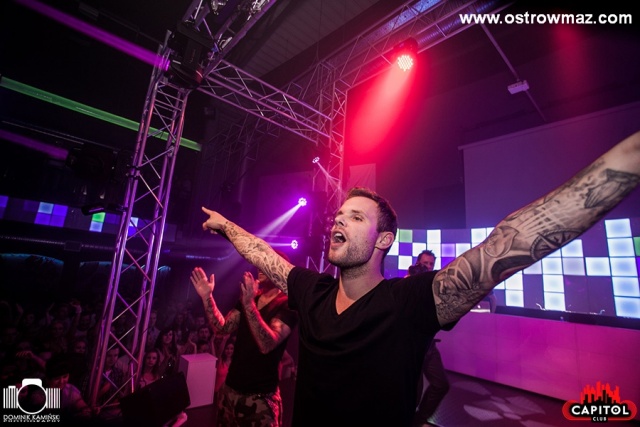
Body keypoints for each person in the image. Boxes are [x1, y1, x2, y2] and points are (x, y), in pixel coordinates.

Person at [198, 130, 640, 426]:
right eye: (339, 215)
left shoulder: (410, 302)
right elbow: (266, 256)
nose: (339, 220)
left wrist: (628, 161)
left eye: (356, 217)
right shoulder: (312, 291)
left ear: (384, 239)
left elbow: (511, 242)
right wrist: (226, 225)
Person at [190, 254, 298, 427]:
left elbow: (267, 344)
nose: (260, 267)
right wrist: (207, 297)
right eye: (260, 263)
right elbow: (222, 328)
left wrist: (249, 305)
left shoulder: (287, 305)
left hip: (260, 399)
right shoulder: (251, 298)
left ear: (280, 270)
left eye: (266, 264)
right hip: (230, 392)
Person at [407, 253, 450, 427]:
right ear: (418, 263)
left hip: (429, 346)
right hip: (411, 348)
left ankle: (419, 420)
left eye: (431, 264)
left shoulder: (435, 284)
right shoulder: (407, 283)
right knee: (413, 395)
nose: (429, 267)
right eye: (425, 263)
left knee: (441, 385)